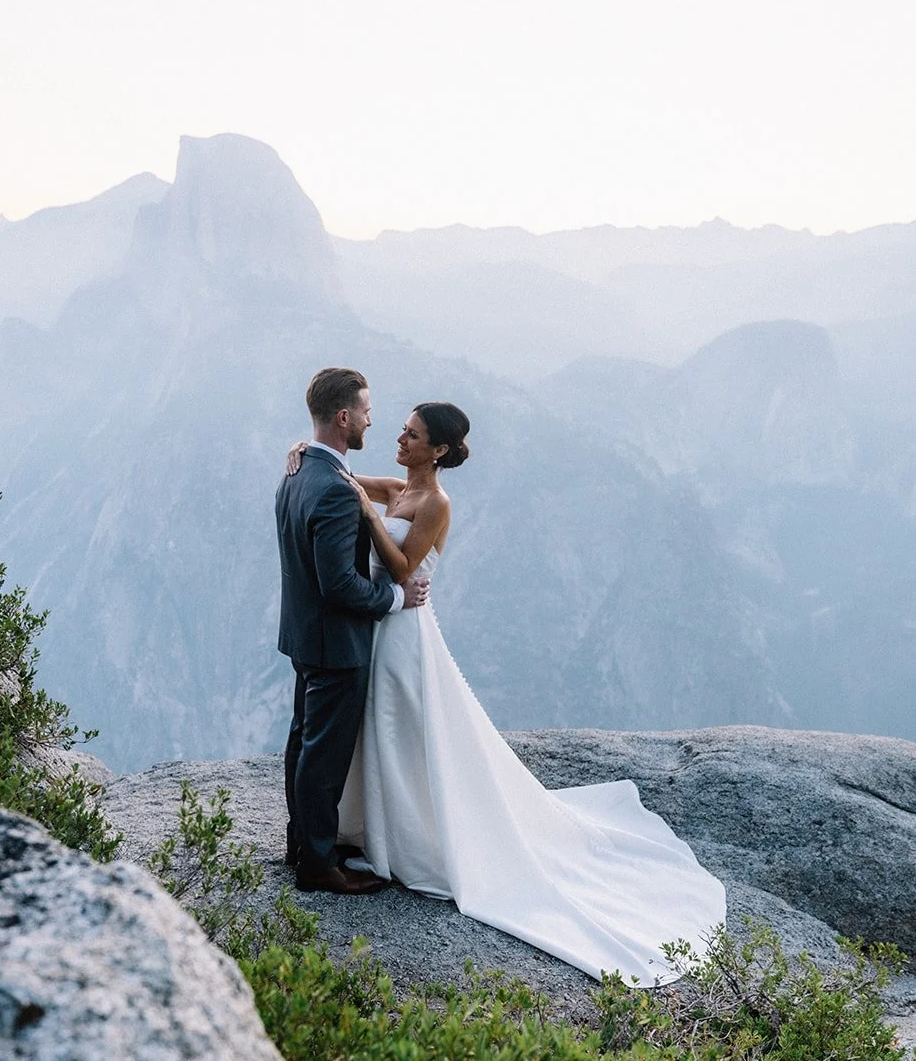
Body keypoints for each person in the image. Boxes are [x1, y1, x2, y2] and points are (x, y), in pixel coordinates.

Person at [286, 400, 726, 983]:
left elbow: (401, 569)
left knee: (404, 729)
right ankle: (367, 828)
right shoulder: (395, 488)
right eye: (401, 428)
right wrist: (302, 450)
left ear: (437, 450)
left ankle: (405, 834)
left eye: (412, 435)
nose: (399, 436)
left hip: (402, 630)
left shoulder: (436, 504)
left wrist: (369, 519)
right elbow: (340, 476)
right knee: (374, 732)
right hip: (374, 629)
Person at [275, 367, 430, 895]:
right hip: (336, 641)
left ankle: (306, 843)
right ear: (344, 418)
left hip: (303, 634)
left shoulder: (297, 471)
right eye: (366, 411)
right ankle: (318, 865)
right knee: (323, 753)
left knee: (303, 742)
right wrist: (394, 597)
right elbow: (340, 584)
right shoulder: (337, 490)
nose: (371, 420)